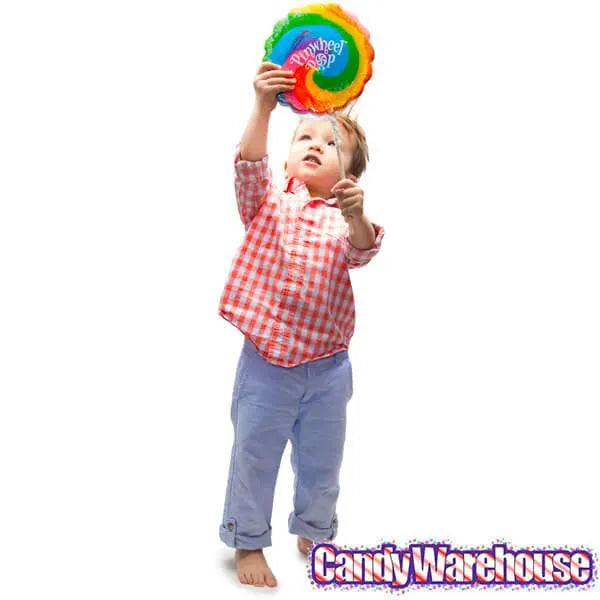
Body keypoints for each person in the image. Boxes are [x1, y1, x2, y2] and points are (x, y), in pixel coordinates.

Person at [217, 61, 385, 587]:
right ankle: (248, 539)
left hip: (328, 369)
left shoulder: (345, 219)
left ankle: (314, 530)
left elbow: (363, 250)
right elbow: (249, 163)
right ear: (288, 158)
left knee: (322, 462)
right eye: (304, 137)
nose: (315, 144)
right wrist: (264, 106)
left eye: (331, 144)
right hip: (266, 365)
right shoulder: (269, 203)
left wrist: (356, 213)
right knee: (254, 455)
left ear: (349, 177)